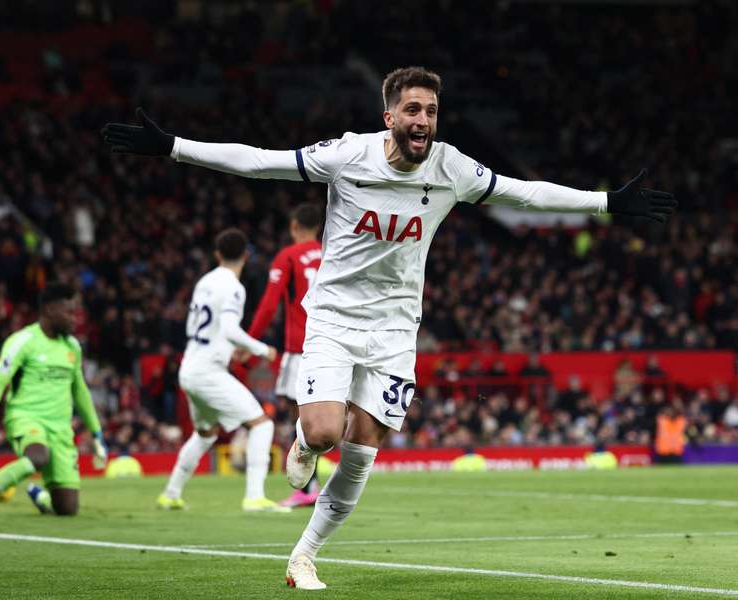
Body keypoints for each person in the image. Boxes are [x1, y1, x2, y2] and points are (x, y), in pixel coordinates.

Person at [102, 65, 677, 590]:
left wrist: (606, 202)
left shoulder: (453, 167)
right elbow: (260, 161)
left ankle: (303, 556)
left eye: (430, 110)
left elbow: (526, 194)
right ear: (390, 117)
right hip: (332, 318)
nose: (422, 120)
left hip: (397, 331)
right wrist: (174, 147)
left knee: (361, 452)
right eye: (412, 110)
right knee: (326, 432)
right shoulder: (348, 156)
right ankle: (303, 440)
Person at [0, 283, 107, 521]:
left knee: (67, 508)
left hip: (61, 429)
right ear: (50, 309)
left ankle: (40, 497)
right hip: (26, 418)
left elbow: (80, 391)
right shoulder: (22, 341)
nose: (75, 318)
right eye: (69, 312)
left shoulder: (72, 346)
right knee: (38, 456)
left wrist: (96, 432)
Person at [156, 228, 288, 513]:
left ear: (217, 254)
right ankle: (254, 496)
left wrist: (233, 349)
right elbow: (228, 329)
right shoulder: (234, 287)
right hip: (207, 372)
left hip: (190, 368)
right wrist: (262, 349)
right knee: (262, 423)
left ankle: (171, 494)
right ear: (246, 255)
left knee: (205, 434)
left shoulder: (205, 281)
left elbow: (212, 329)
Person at [246, 202, 323, 508]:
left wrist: (249, 342)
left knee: (299, 413)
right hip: (331, 343)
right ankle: (317, 487)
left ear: (294, 226)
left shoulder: (288, 256)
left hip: (300, 346)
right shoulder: (332, 252)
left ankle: (307, 488)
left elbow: (269, 304)